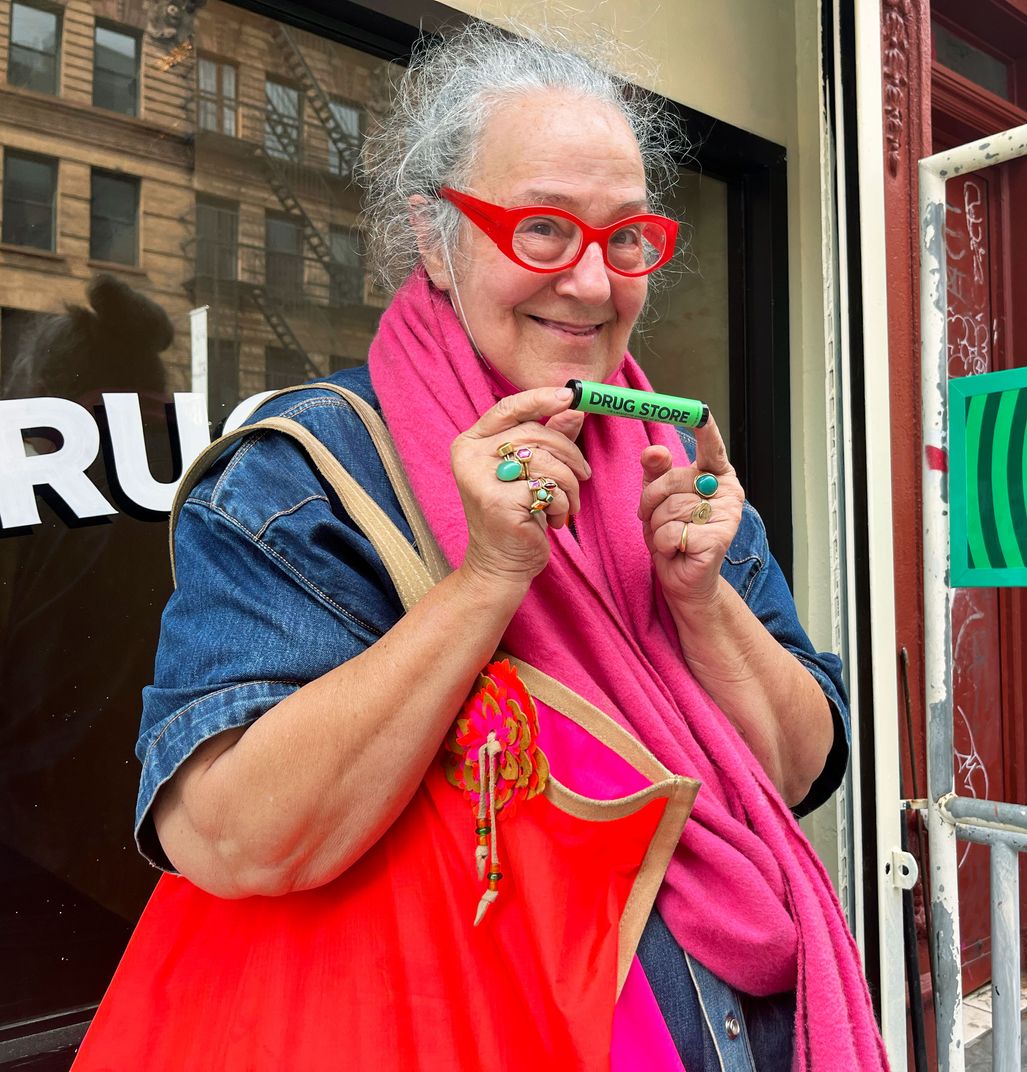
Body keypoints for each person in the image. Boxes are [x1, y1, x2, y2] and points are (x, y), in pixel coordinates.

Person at [130, 23, 886, 1072]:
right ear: (433, 235)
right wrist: (486, 578)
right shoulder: (300, 478)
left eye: (626, 238)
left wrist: (704, 602)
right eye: (542, 229)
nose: (593, 283)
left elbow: (801, 769)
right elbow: (229, 839)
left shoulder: (674, 465)